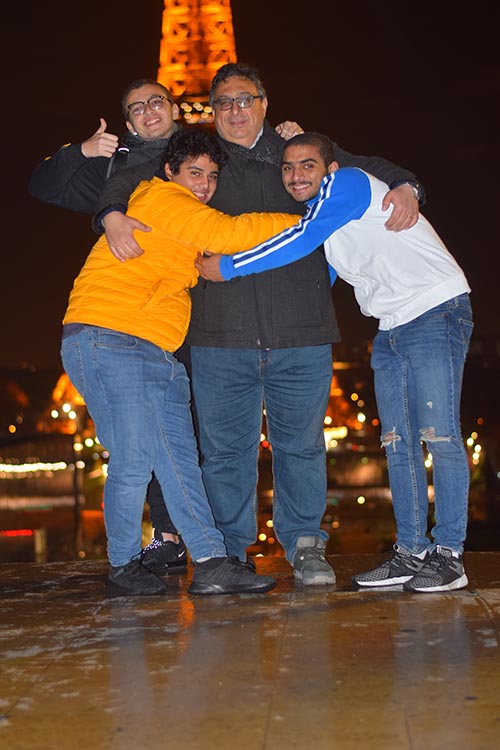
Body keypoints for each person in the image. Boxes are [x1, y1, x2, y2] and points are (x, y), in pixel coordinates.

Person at [93, 62, 425, 586]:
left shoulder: (295, 153)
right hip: (220, 335)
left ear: (264, 104)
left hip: (301, 330)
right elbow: (131, 177)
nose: (234, 110)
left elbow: (364, 167)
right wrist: (110, 214)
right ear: (211, 110)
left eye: (244, 99)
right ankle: (229, 554)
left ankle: (306, 545)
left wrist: (406, 184)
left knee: (302, 447)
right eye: (223, 102)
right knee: (225, 453)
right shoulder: (200, 163)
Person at [29, 76, 303, 575]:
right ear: (169, 169)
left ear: (175, 108)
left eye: (211, 176)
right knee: (136, 459)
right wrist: (311, 220)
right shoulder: (161, 196)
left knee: (179, 462)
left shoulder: (183, 202)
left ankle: (212, 560)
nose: (205, 184)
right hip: (115, 335)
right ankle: (123, 565)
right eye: (194, 173)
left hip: (155, 346)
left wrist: (284, 142)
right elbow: (230, 231)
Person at [195, 131, 473, 593]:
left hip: (434, 310)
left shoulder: (348, 186)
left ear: (331, 167)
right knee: (398, 443)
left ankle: (449, 554)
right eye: (287, 168)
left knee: (439, 435)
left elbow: (300, 240)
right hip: (391, 325)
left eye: (307, 164)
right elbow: (311, 278)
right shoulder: (329, 221)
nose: (295, 175)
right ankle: (411, 551)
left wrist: (229, 267)